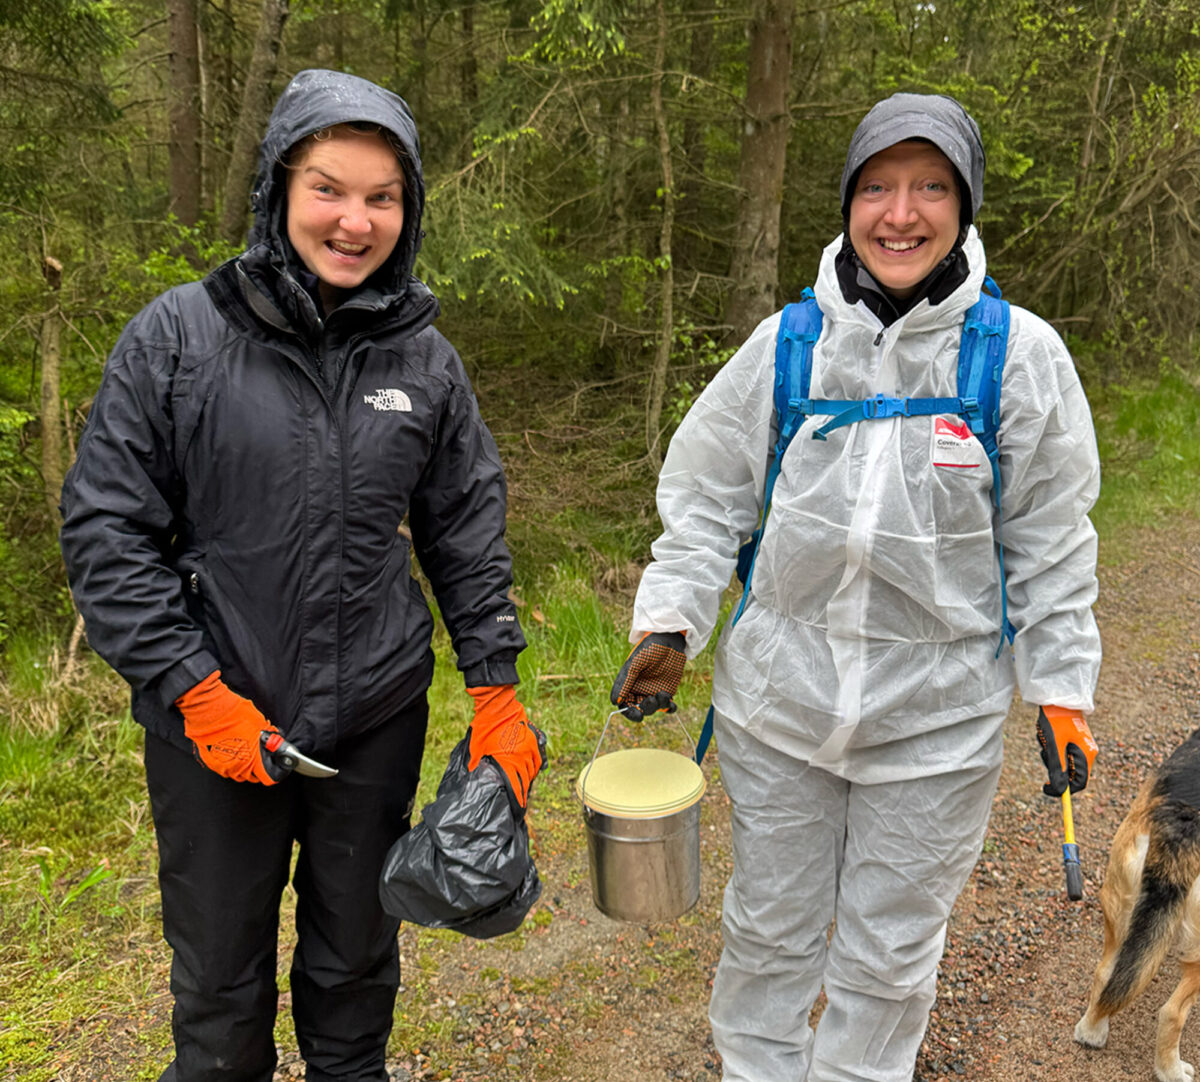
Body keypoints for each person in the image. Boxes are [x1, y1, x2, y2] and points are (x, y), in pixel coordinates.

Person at [59, 69, 543, 1082]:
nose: (354, 219)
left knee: (356, 968)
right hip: (216, 728)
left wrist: (495, 689)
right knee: (222, 989)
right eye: (329, 186)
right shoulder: (178, 338)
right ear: (280, 189)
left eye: (382, 196)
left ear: (408, 212)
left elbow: (463, 527)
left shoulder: (424, 360)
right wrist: (193, 690)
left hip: (372, 716)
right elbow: (107, 529)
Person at [611, 93, 1101, 1082]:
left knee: (889, 956)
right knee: (768, 931)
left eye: (930, 187)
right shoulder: (789, 344)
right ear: (847, 205)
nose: (901, 213)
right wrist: (672, 616)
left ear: (962, 206)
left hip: (937, 728)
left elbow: (1052, 541)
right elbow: (707, 497)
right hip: (780, 710)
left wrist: (1060, 688)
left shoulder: (1019, 357)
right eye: (877, 187)